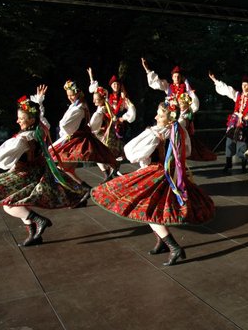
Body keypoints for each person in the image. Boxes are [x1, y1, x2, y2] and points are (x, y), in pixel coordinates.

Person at [91, 101, 215, 266]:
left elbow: (131, 152)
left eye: (160, 115)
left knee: (149, 211)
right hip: (175, 174)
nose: (156, 117)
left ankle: (174, 247)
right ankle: (162, 243)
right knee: (155, 209)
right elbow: (188, 151)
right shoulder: (180, 129)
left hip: (157, 173)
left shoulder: (156, 132)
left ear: (168, 119)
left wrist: (148, 155)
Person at [0, 95, 84, 246]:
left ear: (31, 120)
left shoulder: (23, 139)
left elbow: (1, 160)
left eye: (21, 118)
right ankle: (33, 235)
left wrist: (12, 151)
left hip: (26, 174)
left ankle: (39, 220)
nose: (17, 121)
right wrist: (39, 104)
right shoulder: (40, 130)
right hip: (38, 172)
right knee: (19, 204)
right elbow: (43, 121)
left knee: (8, 204)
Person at [51, 80, 120, 205]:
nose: (70, 97)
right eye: (68, 95)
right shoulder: (79, 106)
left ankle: (83, 190)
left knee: (59, 166)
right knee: (65, 168)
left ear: (78, 93)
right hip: (78, 138)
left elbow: (67, 126)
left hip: (76, 139)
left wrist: (64, 127)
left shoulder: (80, 108)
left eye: (72, 94)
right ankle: (81, 193)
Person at [209, 72, 248, 173]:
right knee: (229, 143)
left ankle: (243, 165)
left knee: (242, 144)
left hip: (244, 124)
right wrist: (215, 81)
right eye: (243, 85)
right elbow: (227, 89)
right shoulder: (238, 95)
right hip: (234, 122)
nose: (244, 87)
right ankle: (228, 163)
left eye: (246, 85)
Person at [87, 67, 136, 180]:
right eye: (114, 84)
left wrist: (123, 118)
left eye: (117, 84)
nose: (116, 86)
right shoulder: (106, 96)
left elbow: (131, 111)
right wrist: (91, 77)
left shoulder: (124, 99)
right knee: (98, 149)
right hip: (105, 128)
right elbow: (95, 91)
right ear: (111, 86)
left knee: (117, 151)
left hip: (117, 128)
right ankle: (107, 173)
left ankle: (113, 171)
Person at [177, 92, 217, 161]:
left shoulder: (188, 113)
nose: (180, 105)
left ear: (186, 105)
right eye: (180, 103)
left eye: (182, 104)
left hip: (186, 134)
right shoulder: (180, 112)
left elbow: (186, 123)